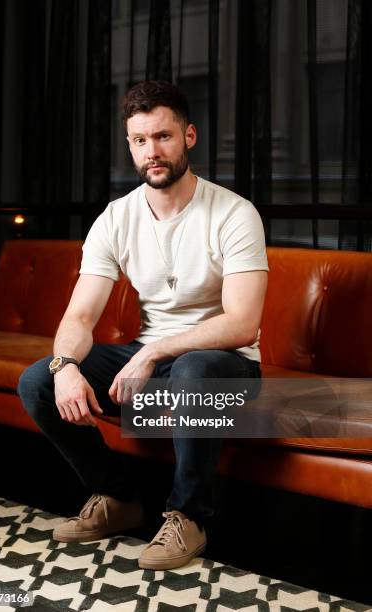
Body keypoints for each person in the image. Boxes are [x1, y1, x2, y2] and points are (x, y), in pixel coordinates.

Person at [18, 80, 268, 571]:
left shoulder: (235, 213)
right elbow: (81, 315)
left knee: (191, 372)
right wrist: (65, 363)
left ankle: (188, 516)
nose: (151, 151)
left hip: (227, 367)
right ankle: (116, 497)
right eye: (139, 140)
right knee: (38, 382)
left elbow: (242, 324)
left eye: (163, 137)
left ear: (189, 136)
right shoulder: (116, 218)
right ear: (129, 144)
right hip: (153, 359)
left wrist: (152, 352)